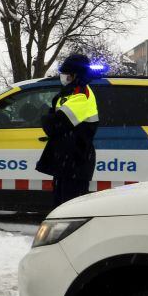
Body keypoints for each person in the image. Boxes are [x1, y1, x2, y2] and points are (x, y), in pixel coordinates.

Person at [37, 53, 100, 206]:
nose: (63, 77)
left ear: (75, 75)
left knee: (69, 209)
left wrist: (46, 117)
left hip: (75, 163)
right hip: (67, 164)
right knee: (60, 207)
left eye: (66, 73)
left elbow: (55, 125)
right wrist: (50, 117)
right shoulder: (71, 92)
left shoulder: (81, 95)